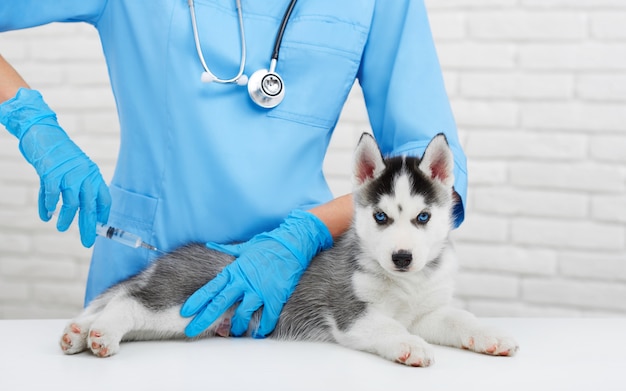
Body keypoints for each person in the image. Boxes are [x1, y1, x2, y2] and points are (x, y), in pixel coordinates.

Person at [0, 0, 467, 338]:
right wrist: (32, 122)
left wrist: (305, 233)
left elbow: (434, 165)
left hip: (295, 287)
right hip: (149, 272)